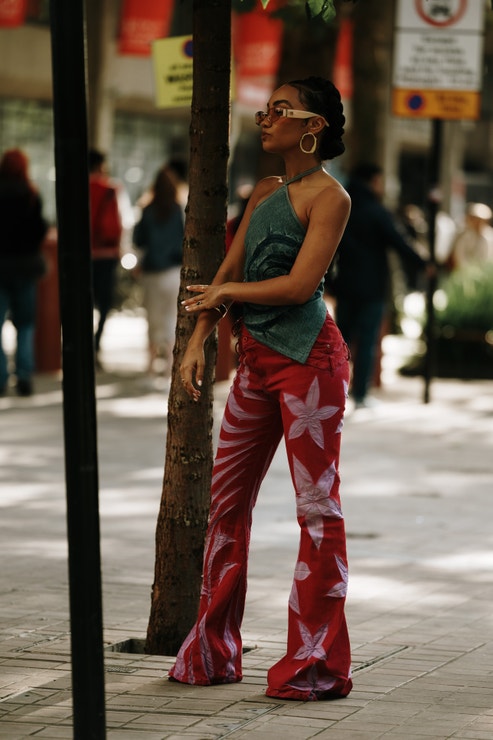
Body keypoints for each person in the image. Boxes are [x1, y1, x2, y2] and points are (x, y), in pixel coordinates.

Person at [169, 76, 353, 701]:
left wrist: (227, 296)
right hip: (255, 362)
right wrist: (200, 337)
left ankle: (314, 663)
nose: (263, 118)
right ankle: (213, 649)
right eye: (264, 108)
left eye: (278, 109)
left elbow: (302, 287)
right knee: (225, 506)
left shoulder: (331, 198)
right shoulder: (267, 191)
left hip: (311, 362)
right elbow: (226, 270)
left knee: (317, 511)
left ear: (313, 126)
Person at [329, 163, 429, 409]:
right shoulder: (377, 211)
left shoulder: (342, 207)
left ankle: (333, 392)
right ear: (373, 181)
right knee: (367, 342)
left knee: (341, 342)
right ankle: (361, 394)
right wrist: (424, 263)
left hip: (346, 286)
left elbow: (329, 247)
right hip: (372, 287)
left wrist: (330, 282)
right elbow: (398, 241)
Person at [0, 148, 48, 396]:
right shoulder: (31, 195)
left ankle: (0, 378)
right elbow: (39, 231)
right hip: (25, 268)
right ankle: (24, 376)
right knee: (25, 324)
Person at [133, 165, 184, 377]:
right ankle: (170, 364)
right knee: (171, 317)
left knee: (152, 318)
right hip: (173, 270)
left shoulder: (147, 210)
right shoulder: (179, 210)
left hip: (152, 271)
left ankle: (151, 365)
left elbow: (138, 240)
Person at [88, 148, 123, 364]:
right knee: (104, 302)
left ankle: (80, 343)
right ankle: (95, 343)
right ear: (101, 165)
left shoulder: (75, 188)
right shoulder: (110, 188)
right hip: (107, 254)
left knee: (82, 300)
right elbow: (119, 222)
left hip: (82, 256)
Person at [447, 202, 493, 271]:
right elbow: (459, 256)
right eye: (476, 219)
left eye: (481, 220)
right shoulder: (463, 234)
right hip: (464, 272)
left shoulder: (490, 236)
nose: (478, 223)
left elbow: (489, 257)